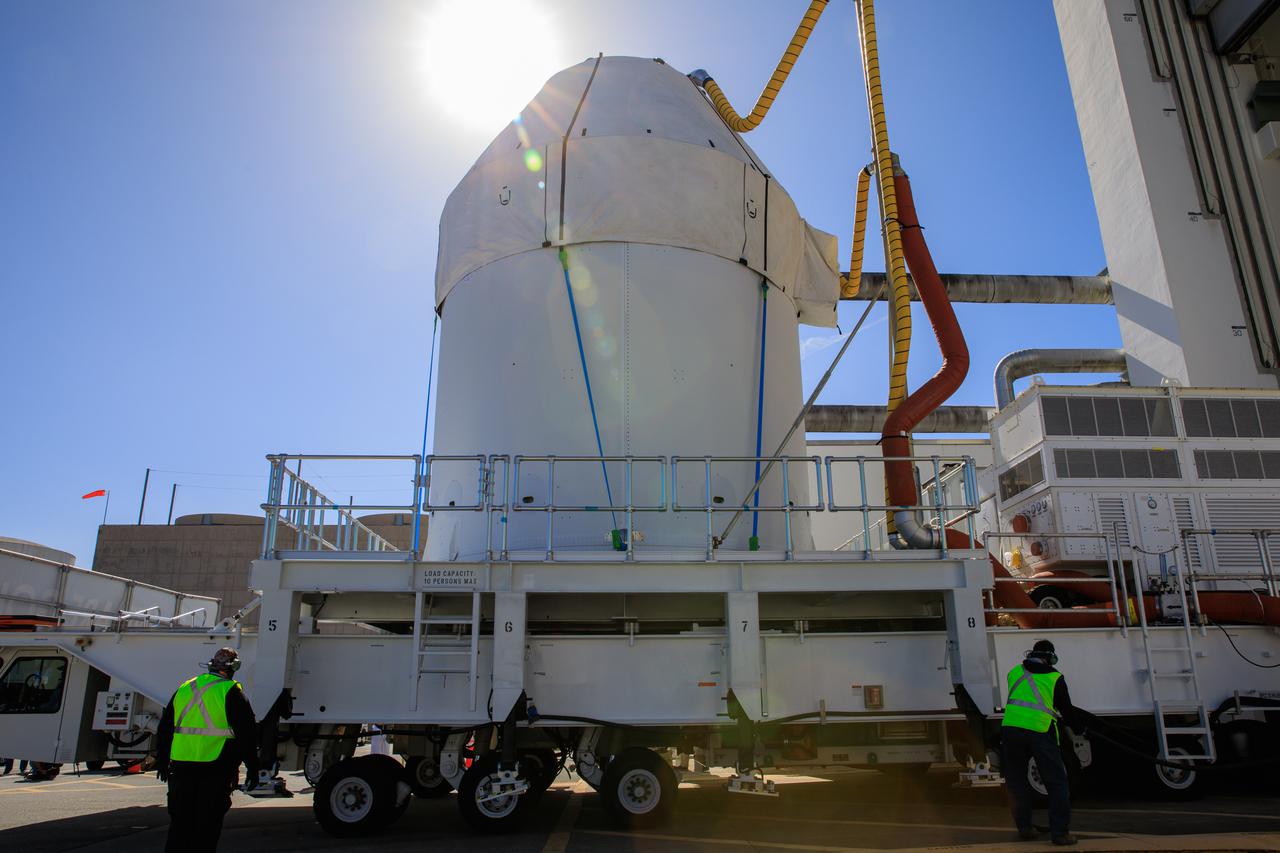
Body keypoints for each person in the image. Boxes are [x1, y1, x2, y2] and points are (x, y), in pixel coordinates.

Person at [155, 647, 259, 853]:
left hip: (181, 767)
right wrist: (253, 768)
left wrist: (162, 759)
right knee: (206, 829)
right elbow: (247, 736)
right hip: (215, 769)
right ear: (234, 667)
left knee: (179, 827)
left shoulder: (185, 688)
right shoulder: (231, 692)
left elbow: (165, 728)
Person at [1002, 639, 1079, 846]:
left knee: (1017, 781)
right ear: (1049, 658)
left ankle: (1025, 827)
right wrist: (1080, 728)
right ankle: (1060, 833)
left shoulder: (1014, 673)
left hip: (1011, 731)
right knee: (1056, 783)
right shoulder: (1055, 678)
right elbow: (1067, 711)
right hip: (1040, 731)